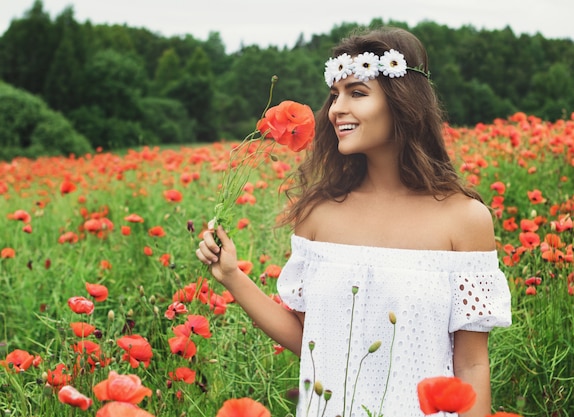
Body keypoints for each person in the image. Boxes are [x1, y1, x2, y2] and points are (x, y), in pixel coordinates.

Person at [196, 26, 512, 417]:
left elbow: (471, 364)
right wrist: (231, 276)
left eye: (356, 93)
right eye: (334, 95)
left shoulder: (464, 219)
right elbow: (310, 337)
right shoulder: (318, 215)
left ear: (402, 103)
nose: (335, 109)